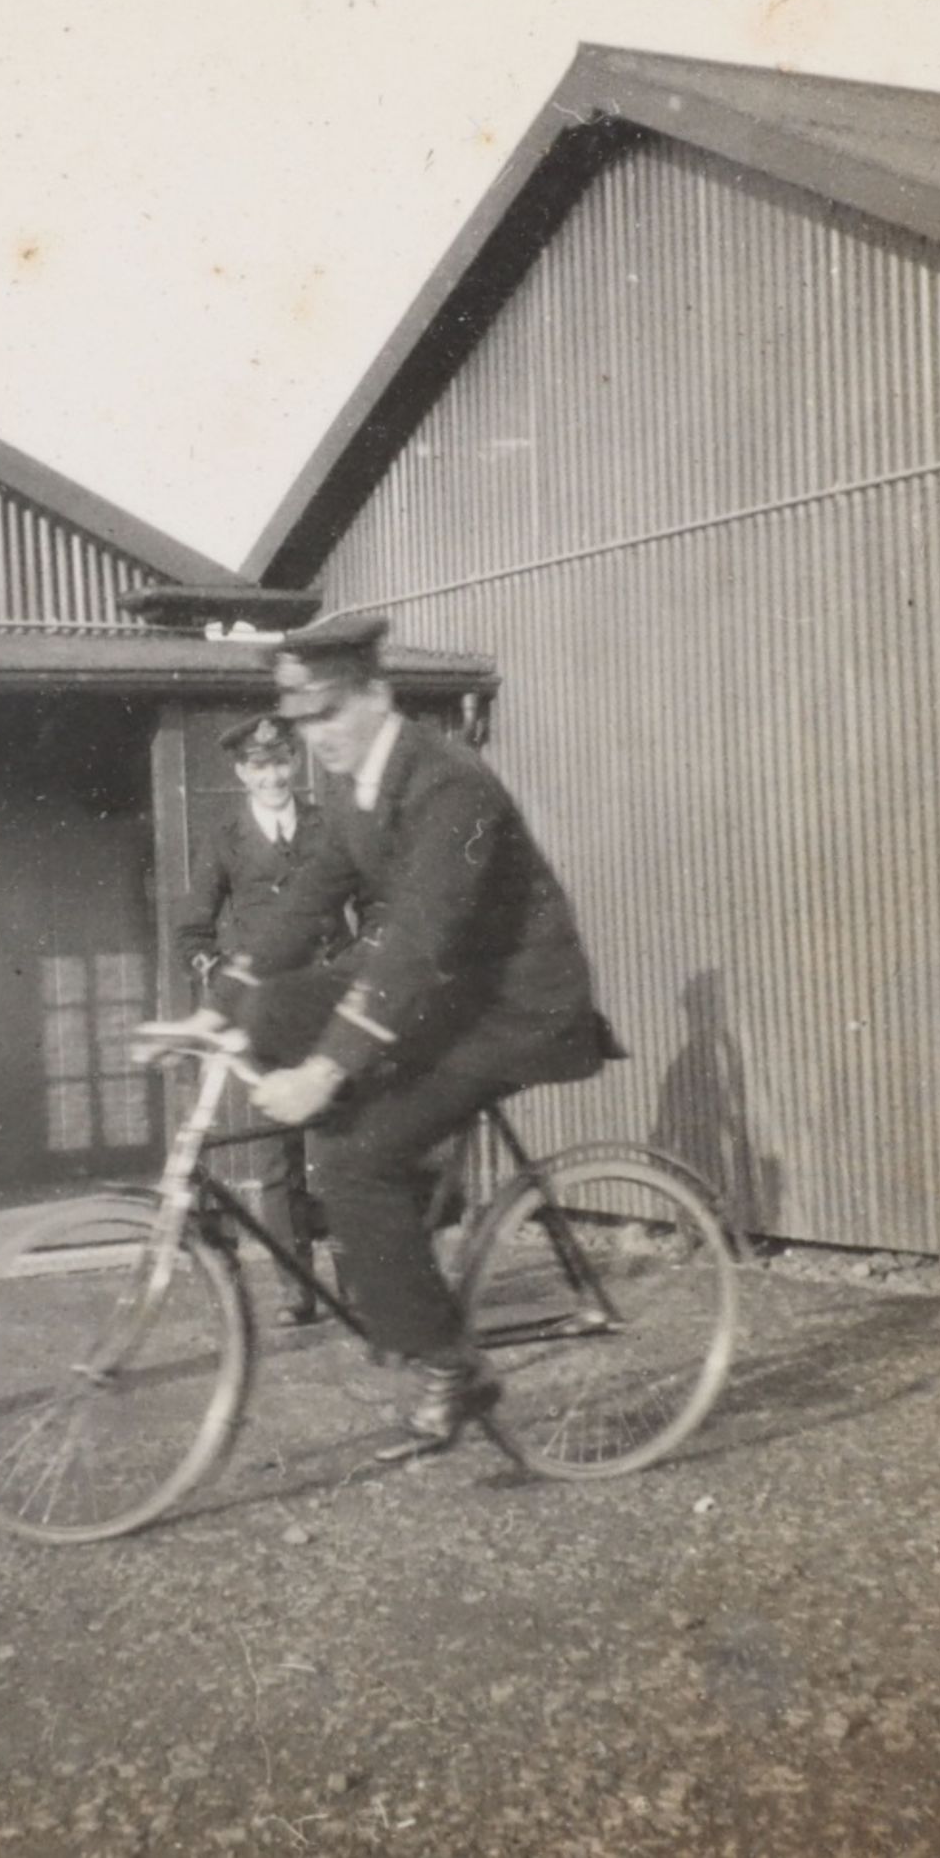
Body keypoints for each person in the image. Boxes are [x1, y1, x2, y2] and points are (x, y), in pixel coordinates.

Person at [208, 613, 626, 1459]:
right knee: (271, 1012)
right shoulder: (358, 788)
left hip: (512, 1009)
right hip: (447, 995)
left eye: (328, 713)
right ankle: (397, 1209)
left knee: (351, 1161)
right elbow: (305, 903)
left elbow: (415, 944)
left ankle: (451, 1365)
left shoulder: (447, 783)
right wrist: (216, 1005)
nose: (314, 737)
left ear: (379, 694)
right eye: (301, 722)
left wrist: (328, 1070)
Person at [172, 713, 345, 1325]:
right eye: (259, 766)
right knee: (278, 1159)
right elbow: (193, 928)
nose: (272, 775)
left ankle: (357, 1286)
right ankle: (298, 1290)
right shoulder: (225, 839)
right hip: (268, 1014)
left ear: (294, 764)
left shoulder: (330, 827)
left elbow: (372, 902)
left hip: (330, 1009)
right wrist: (227, 981)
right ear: (242, 773)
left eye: (281, 762)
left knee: (341, 1147)